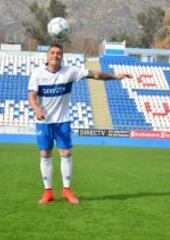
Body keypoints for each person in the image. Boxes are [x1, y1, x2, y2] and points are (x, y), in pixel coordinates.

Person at [28, 43, 131, 205]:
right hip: (44, 122)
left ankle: (67, 190)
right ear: (47, 56)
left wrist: (115, 76)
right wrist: (36, 109)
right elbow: (32, 96)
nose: (55, 55)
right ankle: (48, 192)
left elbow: (95, 75)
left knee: (66, 153)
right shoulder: (37, 74)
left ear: (62, 56)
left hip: (62, 121)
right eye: (52, 52)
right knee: (45, 154)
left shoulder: (70, 71)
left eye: (59, 53)